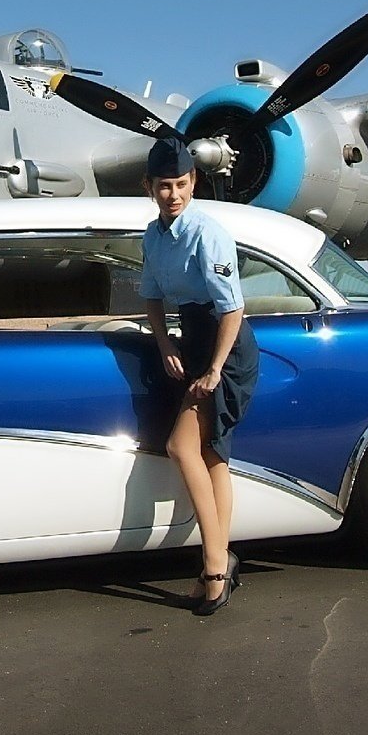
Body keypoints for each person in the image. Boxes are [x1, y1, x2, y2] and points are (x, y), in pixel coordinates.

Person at [138, 136, 260, 615]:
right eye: (165, 186)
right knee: (212, 457)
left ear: (195, 182)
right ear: (149, 187)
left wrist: (212, 369)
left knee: (181, 446)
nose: (175, 194)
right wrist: (165, 343)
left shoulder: (208, 232)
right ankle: (221, 560)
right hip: (191, 338)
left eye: (183, 184)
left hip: (226, 347)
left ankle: (214, 566)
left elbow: (233, 309)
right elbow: (150, 295)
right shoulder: (151, 234)